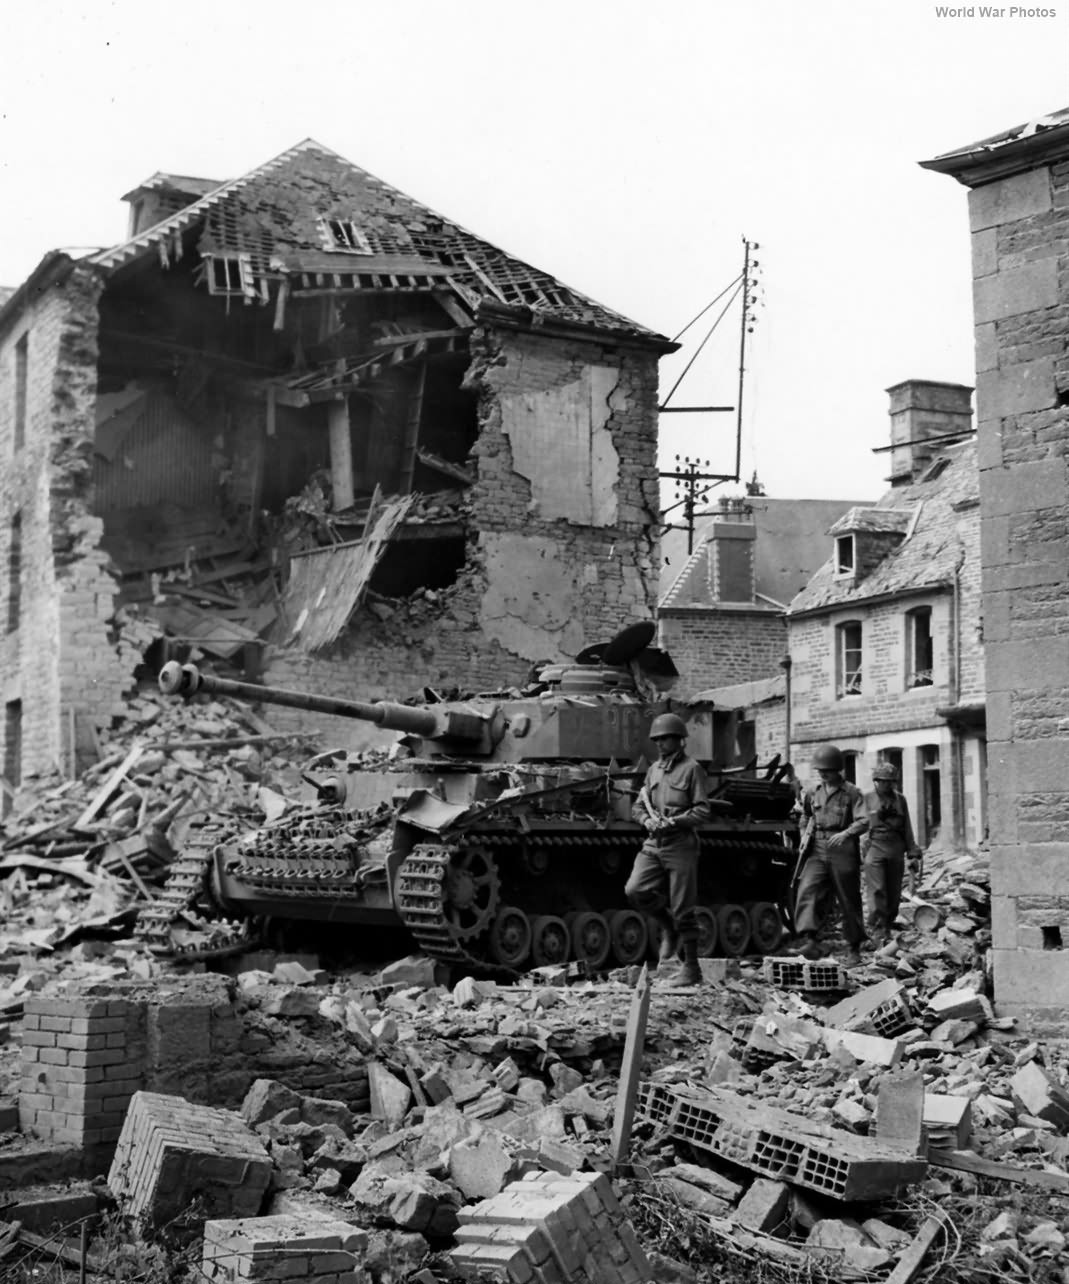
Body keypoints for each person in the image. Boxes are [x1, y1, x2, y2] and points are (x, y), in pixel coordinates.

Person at [625, 712, 711, 987]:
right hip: (654, 842)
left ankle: (691, 969)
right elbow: (638, 805)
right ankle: (668, 926)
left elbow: (703, 811)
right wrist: (646, 819)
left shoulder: (692, 769)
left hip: (680, 844)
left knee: (684, 907)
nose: (660, 744)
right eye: (657, 740)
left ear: (679, 740)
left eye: (665, 739)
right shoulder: (654, 770)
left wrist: (674, 821)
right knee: (635, 890)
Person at [789, 744, 868, 966]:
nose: (823, 774)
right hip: (818, 847)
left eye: (827, 770)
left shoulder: (852, 793)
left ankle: (854, 947)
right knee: (807, 889)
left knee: (848, 897)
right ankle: (810, 939)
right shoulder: (813, 792)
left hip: (843, 848)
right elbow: (805, 815)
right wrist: (804, 833)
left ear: (838, 770)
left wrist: (846, 834)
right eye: (820, 771)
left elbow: (864, 821)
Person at [862, 763, 922, 946]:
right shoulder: (866, 799)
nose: (887, 786)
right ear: (876, 782)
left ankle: (887, 926)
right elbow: (859, 826)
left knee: (894, 891)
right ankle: (877, 929)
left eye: (890, 782)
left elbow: (907, 827)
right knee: (877, 889)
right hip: (875, 846)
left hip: (895, 847)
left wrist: (912, 852)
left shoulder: (900, 800)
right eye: (883, 782)